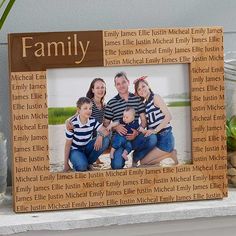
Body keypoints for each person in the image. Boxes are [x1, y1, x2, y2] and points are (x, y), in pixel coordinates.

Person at [104, 72, 157, 169]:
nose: (121, 86)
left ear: (128, 82)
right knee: (117, 165)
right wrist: (116, 126)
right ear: (115, 86)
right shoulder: (111, 103)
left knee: (152, 138)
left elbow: (143, 120)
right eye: (118, 84)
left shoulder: (137, 99)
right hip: (120, 140)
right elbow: (106, 124)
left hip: (135, 138)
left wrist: (137, 132)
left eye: (123, 82)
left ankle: (136, 156)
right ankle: (122, 155)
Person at [134, 76, 178, 165]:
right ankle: (168, 154)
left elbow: (169, 116)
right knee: (143, 162)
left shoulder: (155, 97)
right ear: (138, 93)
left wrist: (154, 131)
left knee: (144, 163)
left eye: (143, 86)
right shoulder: (146, 104)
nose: (142, 90)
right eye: (139, 89)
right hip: (157, 140)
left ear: (148, 86)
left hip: (165, 138)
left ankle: (170, 153)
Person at [67, 78, 108, 165]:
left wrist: (100, 135)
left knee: (107, 137)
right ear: (92, 90)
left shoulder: (105, 106)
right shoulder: (89, 103)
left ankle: (93, 158)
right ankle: (83, 159)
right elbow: (76, 115)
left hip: (97, 134)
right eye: (97, 88)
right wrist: (67, 121)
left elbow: (104, 124)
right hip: (86, 138)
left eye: (102, 87)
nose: (100, 90)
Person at [64, 97, 109, 172]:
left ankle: (87, 162)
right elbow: (68, 144)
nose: (89, 111)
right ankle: (82, 162)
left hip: (87, 148)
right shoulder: (72, 124)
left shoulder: (92, 120)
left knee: (105, 140)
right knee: (82, 167)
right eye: (85, 108)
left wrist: (100, 135)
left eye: (90, 108)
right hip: (75, 150)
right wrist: (66, 164)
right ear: (79, 110)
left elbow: (106, 131)